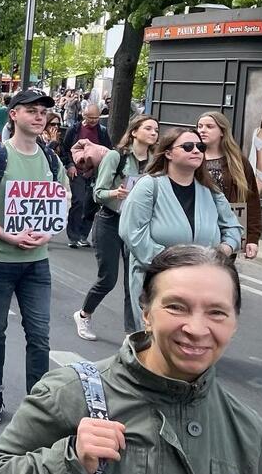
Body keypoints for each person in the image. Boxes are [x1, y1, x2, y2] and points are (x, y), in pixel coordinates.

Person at [0, 245, 262, 474]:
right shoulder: (68, 392)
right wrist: (69, 458)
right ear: (146, 313)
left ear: (234, 322)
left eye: (217, 312)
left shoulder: (248, 431)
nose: (196, 329)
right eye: (176, 307)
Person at [0, 89, 70, 425]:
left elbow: (61, 199)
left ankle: (36, 402)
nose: (39, 117)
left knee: (39, 334)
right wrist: (10, 236)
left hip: (37, 261)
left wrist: (49, 231)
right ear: (14, 115)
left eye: (43, 112)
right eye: (32, 111)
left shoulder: (51, 159)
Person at [119, 127, 242, 329]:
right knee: (157, 344)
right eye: (187, 146)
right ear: (168, 153)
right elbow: (132, 232)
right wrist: (176, 263)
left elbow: (234, 228)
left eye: (200, 147)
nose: (196, 151)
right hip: (158, 281)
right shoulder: (150, 185)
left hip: (202, 283)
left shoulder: (210, 190)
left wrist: (222, 251)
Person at [73, 114, 158, 341]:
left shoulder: (155, 161)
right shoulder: (116, 157)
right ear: (134, 132)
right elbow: (98, 193)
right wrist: (116, 193)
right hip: (110, 219)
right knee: (108, 278)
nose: (153, 133)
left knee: (135, 281)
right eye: (148, 128)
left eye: (156, 130)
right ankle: (84, 314)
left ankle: (132, 333)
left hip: (138, 225)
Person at [197, 111, 262, 260]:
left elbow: (252, 201)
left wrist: (252, 238)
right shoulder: (193, 157)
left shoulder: (238, 162)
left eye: (209, 126)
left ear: (222, 131)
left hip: (227, 230)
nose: (202, 130)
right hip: (198, 228)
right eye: (200, 126)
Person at [60, 103, 112, 249]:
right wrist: (69, 165)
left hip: (95, 172)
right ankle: (73, 235)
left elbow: (108, 150)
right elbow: (65, 149)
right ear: (84, 115)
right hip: (77, 170)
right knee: (79, 201)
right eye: (90, 118)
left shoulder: (102, 131)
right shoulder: (74, 129)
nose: (93, 121)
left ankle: (83, 235)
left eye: (96, 118)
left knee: (91, 204)